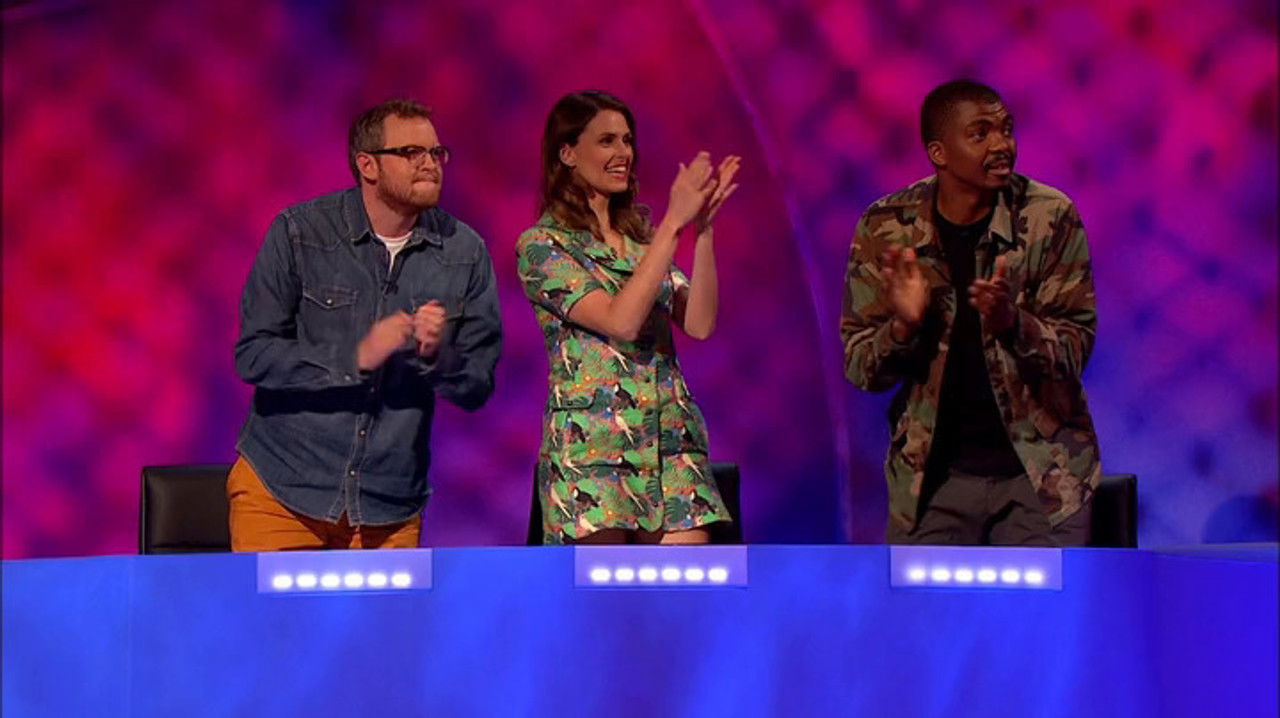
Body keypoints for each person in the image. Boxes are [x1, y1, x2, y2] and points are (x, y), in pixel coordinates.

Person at [230, 98, 502, 551]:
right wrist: (354, 356)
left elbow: (478, 384)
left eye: (436, 153)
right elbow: (254, 355)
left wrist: (437, 356)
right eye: (411, 153)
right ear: (367, 165)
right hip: (284, 493)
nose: (430, 164)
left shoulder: (464, 251)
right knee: (275, 604)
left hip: (389, 508)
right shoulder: (300, 232)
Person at [841, 80, 1101, 546]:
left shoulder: (1049, 217)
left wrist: (1013, 324)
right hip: (932, 485)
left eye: (1006, 130)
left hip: (1042, 480)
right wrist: (903, 326)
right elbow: (861, 368)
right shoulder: (886, 227)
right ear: (939, 153)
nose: (1002, 145)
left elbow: (1075, 351)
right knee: (922, 598)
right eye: (980, 134)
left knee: (1044, 598)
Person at [516, 90, 739, 544]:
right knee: (605, 588)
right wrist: (673, 224)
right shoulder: (543, 247)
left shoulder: (642, 244)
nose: (623, 153)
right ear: (568, 153)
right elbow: (621, 322)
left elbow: (699, 323)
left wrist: (703, 231)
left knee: (681, 588)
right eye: (606, 141)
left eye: (627, 140)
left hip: (669, 448)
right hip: (595, 454)